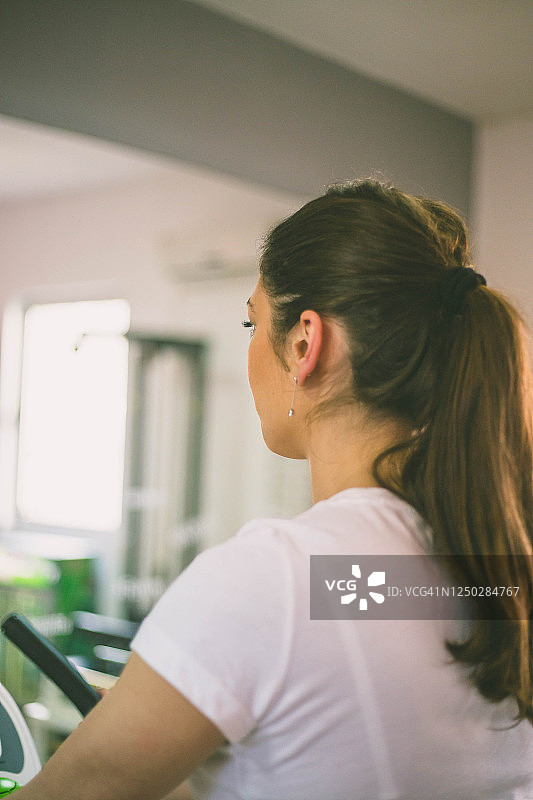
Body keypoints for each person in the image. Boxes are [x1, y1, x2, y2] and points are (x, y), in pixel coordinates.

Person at [14, 179, 533, 799]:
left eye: (252, 321)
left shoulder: (276, 578)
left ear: (306, 342)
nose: (251, 347)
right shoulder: (496, 562)